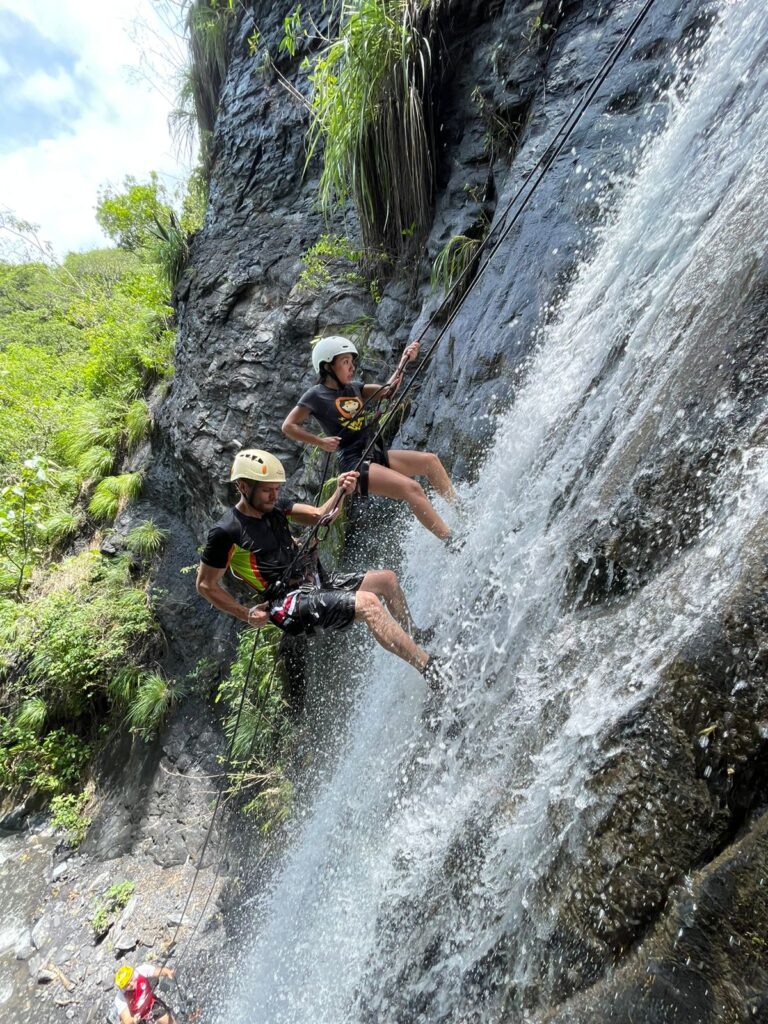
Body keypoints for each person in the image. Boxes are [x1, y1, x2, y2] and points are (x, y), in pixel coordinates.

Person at [196, 448, 441, 680]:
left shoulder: (276, 507)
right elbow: (206, 585)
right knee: (369, 604)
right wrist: (246, 613)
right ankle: (430, 669)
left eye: (276, 489)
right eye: (266, 491)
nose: (274, 495)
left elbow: (321, 515)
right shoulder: (226, 531)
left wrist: (341, 490)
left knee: (387, 580)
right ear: (242, 486)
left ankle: (415, 637)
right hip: (288, 603)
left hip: (314, 580)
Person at [281, 335, 457, 543]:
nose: (351, 367)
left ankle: (460, 511)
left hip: (374, 452)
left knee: (430, 461)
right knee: (412, 488)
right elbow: (288, 426)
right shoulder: (316, 395)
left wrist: (404, 361)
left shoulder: (354, 388)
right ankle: (451, 540)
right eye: (345, 362)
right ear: (327, 366)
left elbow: (388, 391)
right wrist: (320, 442)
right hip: (354, 463)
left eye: (351, 362)